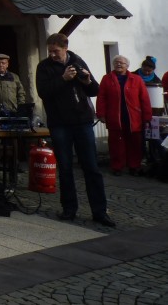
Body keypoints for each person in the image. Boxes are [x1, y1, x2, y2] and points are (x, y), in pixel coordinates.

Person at [36, 33, 114, 227]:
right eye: (50, 51)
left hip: (82, 121)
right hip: (59, 123)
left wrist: (87, 81)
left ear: (65, 48)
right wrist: (63, 79)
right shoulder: (44, 67)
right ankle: (69, 209)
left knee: (92, 167)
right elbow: (43, 92)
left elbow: (94, 90)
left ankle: (100, 211)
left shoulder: (78, 61)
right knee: (65, 167)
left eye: (56, 51)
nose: (52, 55)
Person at [97, 55, 152, 176]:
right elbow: (101, 97)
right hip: (114, 116)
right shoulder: (106, 79)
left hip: (133, 117)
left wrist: (147, 116)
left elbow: (144, 98)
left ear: (127, 66)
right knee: (116, 143)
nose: (118, 64)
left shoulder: (136, 79)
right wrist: (101, 113)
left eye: (121, 63)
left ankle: (134, 166)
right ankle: (117, 167)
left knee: (135, 143)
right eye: (116, 62)